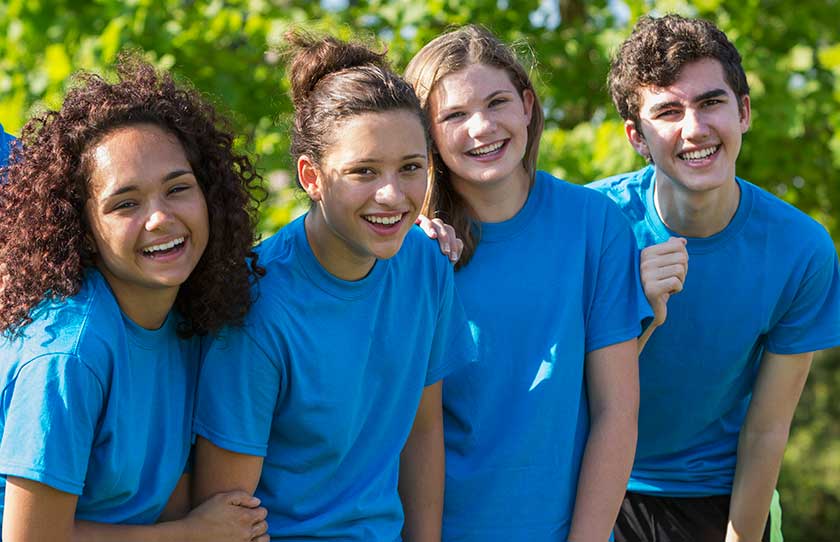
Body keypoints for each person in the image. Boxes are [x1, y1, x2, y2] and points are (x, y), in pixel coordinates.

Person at [192, 32, 476, 541]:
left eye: (411, 168)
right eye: (363, 172)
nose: (391, 195)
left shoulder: (426, 267)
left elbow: (423, 429)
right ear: (312, 177)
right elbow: (224, 514)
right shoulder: (257, 305)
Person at [588, 14, 840, 542]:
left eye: (711, 102)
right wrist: (636, 312)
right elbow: (556, 393)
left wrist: (740, 536)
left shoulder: (801, 250)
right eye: (667, 111)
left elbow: (768, 429)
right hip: (592, 484)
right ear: (637, 136)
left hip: (720, 495)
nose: (694, 129)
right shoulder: (591, 226)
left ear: (743, 111)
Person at [0, 55, 269, 541]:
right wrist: (193, 535)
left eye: (178, 189)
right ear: (81, 226)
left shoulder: (190, 311)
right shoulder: (69, 356)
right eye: (125, 203)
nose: (160, 218)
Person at [405, 25, 652, 542]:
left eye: (497, 103)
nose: (482, 127)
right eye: (454, 116)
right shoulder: (414, 250)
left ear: (526, 105)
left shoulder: (596, 224)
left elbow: (616, 412)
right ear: (426, 135)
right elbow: (408, 430)